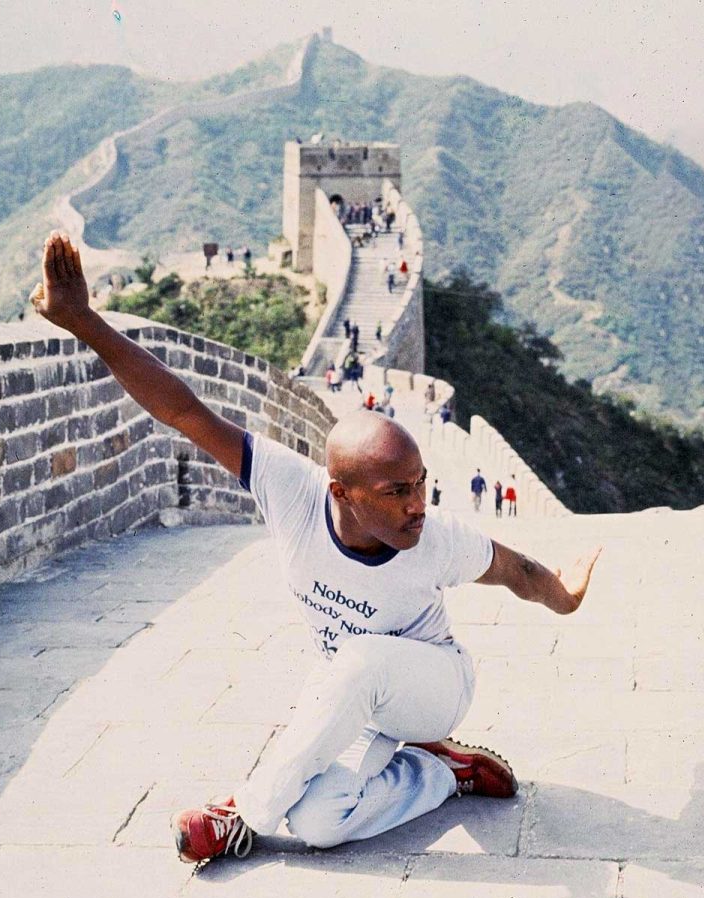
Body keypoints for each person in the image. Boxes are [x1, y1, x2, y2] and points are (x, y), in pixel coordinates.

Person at [30, 231, 601, 865]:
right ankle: (442, 774)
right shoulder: (290, 490)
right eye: (396, 492)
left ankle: (238, 817)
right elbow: (184, 412)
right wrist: (85, 323)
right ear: (342, 492)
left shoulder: (432, 539)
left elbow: (513, 569)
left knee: (355, 665)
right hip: (358, 697)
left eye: (421, 486)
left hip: (433, 686)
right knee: (321, 822)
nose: (416, 505)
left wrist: (565, 598)